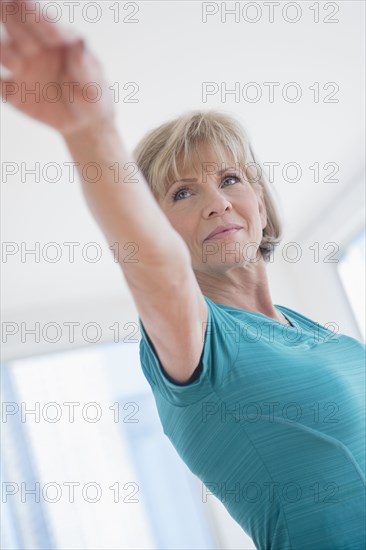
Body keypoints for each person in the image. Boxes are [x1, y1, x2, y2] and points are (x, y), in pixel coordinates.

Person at [1, 2, 365, 548]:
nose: (217, 203)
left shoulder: (313, 331)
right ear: (159, 226)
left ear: (260, 202)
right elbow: (157, 268)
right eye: (183, 192)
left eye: (230, 178)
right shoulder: (199, 339)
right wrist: (89, 128)